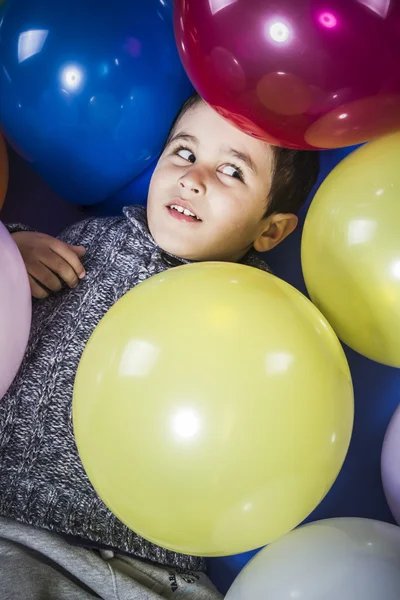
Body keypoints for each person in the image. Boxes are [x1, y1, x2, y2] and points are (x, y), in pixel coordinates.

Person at [0, 92, 319, 597]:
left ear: (271, 230)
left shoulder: (264, 321)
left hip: (157, 566)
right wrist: (14, 250)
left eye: (231, 172)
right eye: (184, 154)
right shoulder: (88, 240)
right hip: (20, 524)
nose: (193, 178)